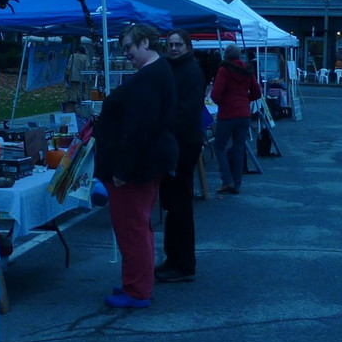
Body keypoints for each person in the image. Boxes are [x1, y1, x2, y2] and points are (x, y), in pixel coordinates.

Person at [93, 24, 178, 308]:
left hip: (135, 170)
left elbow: (138, 129)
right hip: (146, 164)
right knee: (139, 227)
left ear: (144, 42)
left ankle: (138, 291)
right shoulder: (156, 72)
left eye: (128, 46)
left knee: (132, 229)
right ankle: (137, 283)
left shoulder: (150, 78)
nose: (125, 52)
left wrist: (121, 171)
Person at [156, 30, 206, 284]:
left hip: (182, 146)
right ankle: (173, 258)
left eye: (178, 44)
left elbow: (188, 111)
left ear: (187, 47)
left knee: (180, 205)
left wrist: (163, 127)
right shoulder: (168, 68)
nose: (173, 48)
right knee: (171, 205)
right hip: (170, 144)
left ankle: (184, 263)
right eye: (170, 44)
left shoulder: (191, 72)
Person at [210, 44, 262, 195]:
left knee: (219, 146)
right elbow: (257, 92)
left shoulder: (224, 70)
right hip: (243, 113)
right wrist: (245, 99)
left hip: (227, 113)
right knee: (239, 149)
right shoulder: (247, 70)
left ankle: (227, 180)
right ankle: (237, 184)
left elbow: (216, 94)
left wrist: (223, 102)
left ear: (226, 55)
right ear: (239, 55)